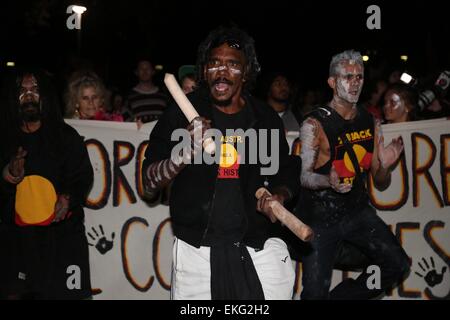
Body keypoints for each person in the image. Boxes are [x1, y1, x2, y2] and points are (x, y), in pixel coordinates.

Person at [142, 26, 299, 300]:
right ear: (204, 71)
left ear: (246, 72)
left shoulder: (265, 119)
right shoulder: (181, 114)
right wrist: (185, 151)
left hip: (259, 245)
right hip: (197, 249)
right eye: (214, 64)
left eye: (232, 65)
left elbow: (285, 171)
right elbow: (148, 182)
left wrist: (279, 195)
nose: (222, 72)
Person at [296, 50, 410, 299]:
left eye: (360, 76)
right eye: (348, 76)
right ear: (332, 82)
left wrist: (384, 166)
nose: (355, 82)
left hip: (357, 212)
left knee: (397, 264)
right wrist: (328, 181)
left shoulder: (371, 122)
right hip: (320, 219)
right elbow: (304, 177)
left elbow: (381, 182)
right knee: (314, 293)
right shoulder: (314, 125)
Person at [0, 68, 94, 299]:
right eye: (22, 91)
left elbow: (83, 177)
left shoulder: (66, 137)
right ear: (14, 99)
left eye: (35, 90)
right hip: (20, 246)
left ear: (46, 97)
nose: (29, 95)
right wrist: (9, 173)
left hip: (63, 243)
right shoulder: (4, 138)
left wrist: (68, 198)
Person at [123, 58, 168, 124]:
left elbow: (169, 118)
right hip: (138, 134)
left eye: (148, 68)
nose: (145, 71)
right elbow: (125, 120)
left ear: (153, 71)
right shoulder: (129, 97)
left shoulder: (163, 95)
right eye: (141, 68)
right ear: (136, 72)